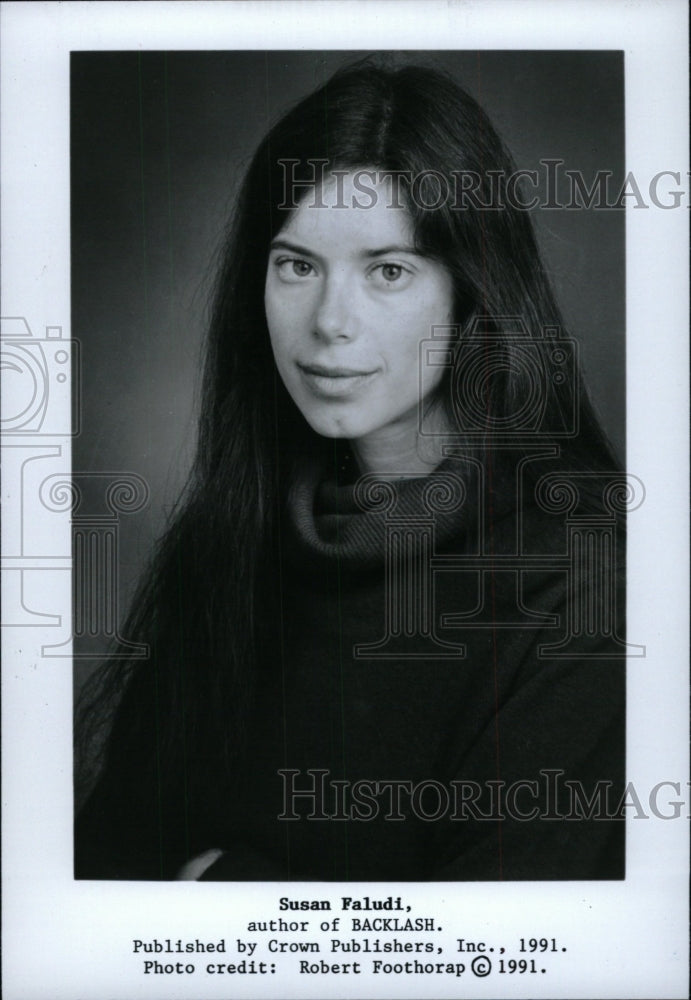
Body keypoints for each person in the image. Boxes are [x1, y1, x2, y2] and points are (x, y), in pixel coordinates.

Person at [75, 60, 626, 881]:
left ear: (471, 295)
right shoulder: (227, 538)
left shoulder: (578, 580)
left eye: (388, 271)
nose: (329, 323)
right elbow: (104, 892)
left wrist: (221, 886)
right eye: (296, 265)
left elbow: (500, 958)